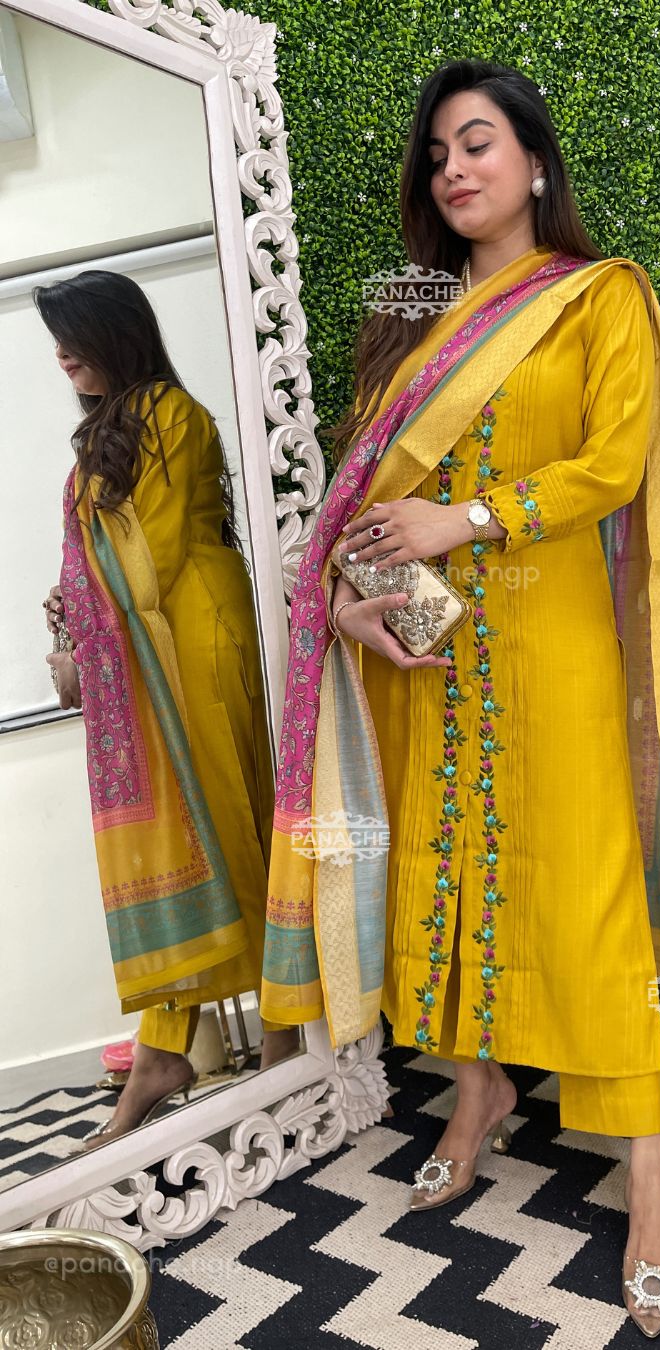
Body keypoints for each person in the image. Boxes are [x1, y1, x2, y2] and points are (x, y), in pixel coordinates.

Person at [259, 60, 660, 1337]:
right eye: (438, 155)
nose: (453, 169)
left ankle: (649, 1166)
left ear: (535, 161)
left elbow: (612, 465)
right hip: (427, 657)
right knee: (440, 877)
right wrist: (356, 604)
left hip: (555, 652)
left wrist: (463, 518)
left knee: (586, 892)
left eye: (478, 143)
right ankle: (479, 1090)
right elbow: (362, 509)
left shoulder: (600, 296)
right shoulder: (411, 322)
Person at [36, 270, 300, 1150]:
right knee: (187, 836)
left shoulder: (172, 415)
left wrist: (81, 637)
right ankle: (163, 1051)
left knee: (226, 827)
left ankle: (280, 1033)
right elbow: (102, 556)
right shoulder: (111, 426)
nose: (61, 356)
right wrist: (70, 616)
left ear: (116, 333)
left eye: (73, 337)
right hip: (153, 653)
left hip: (193, 647)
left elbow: (144, 550)